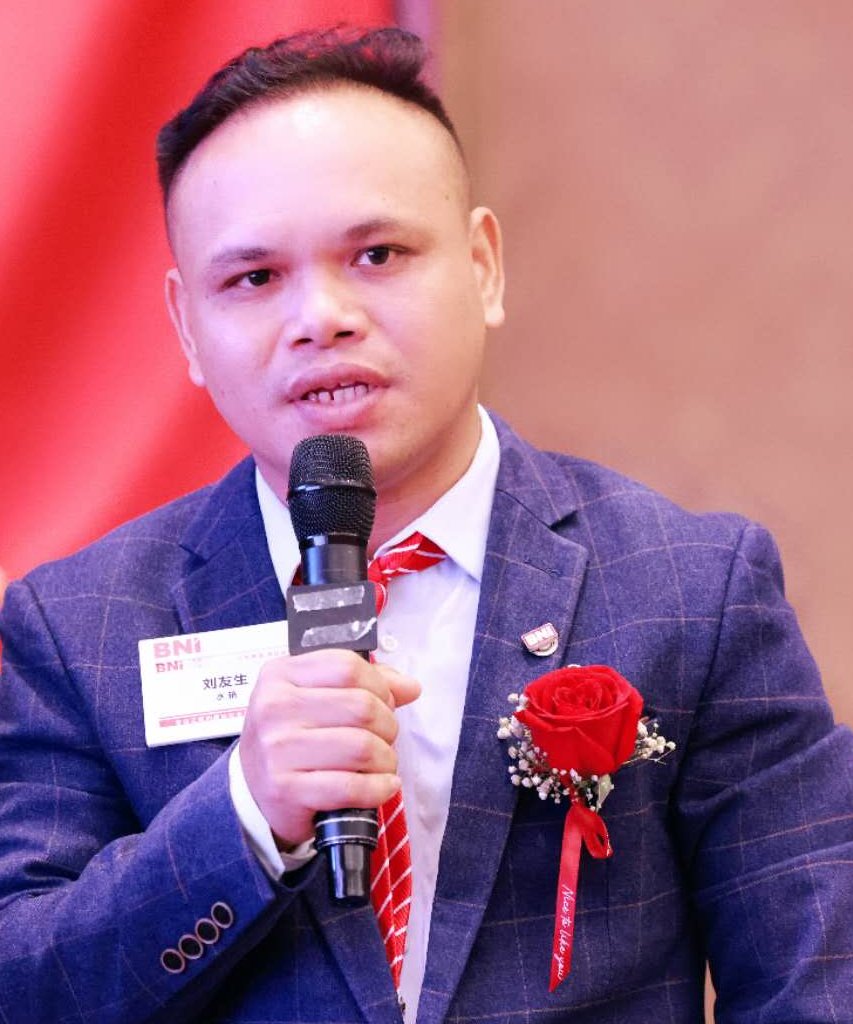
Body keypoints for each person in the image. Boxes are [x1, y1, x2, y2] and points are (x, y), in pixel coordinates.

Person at [0, 26, 850, 1024]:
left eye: (377, 254)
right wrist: (242, 819)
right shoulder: (78, 627)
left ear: (482, 266)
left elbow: (812, 983)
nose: (322, 317)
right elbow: (24, 985)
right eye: (255, 278)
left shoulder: (692, 588)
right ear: (188, 327)